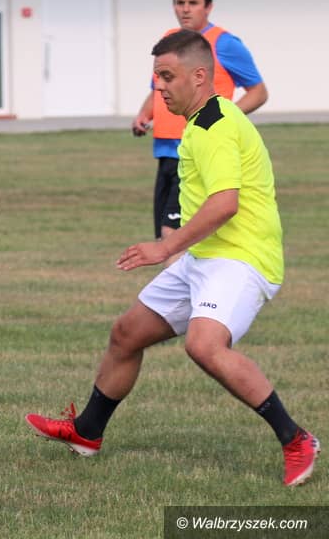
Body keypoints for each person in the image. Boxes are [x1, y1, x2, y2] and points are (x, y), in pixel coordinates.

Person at [26, 30, 319, 487]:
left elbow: (225, 204)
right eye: (156, 77)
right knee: (126, 334)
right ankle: (87, 431)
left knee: (204, 346)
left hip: (243, 259)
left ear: (199, 76)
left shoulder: (215, 125)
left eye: (167, 76)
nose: (159, 87)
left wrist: (165, 247)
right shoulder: (200, 120)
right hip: (207, 255)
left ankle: (297, 439)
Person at [130, 0, 267, 263]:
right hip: (166, 151)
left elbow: (259, 91)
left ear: (208, 7)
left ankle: (187, 290)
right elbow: (156, 89)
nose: (185, 9)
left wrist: (221, 119)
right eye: (180, 2)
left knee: (171, 235)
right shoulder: (170, 41)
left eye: (193, 3)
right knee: (165, 235)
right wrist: (144, 113)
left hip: (198, 149)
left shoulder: (225, 44)